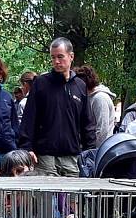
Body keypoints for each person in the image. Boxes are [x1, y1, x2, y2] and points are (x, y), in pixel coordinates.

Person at [17, 37, 96, 176]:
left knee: (72, 198)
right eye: (53, 57)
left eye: (60, 57)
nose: (56, 62)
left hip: (72, 157)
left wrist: (90, 152)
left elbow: (87, 123)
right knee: (45, 197)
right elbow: (29, 118)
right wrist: (26, 148)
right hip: (44, 156)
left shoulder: (80, 86)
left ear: (71, 56)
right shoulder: (41, 83)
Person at [75, 64, 116, 146]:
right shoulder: (89, 97)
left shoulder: (99, 98)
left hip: (100, 149)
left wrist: (93, 151)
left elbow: (102, 130)